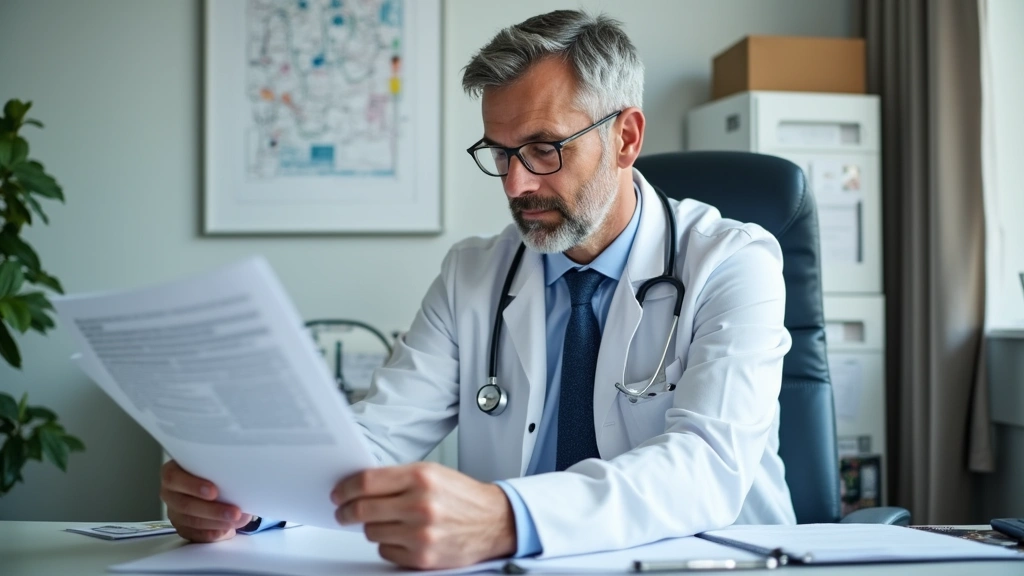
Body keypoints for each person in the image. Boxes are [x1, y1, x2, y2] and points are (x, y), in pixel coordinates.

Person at [160, 9, 796, 570]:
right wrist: (250, 501)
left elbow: (707, 465)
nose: (516, 185)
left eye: (544, 149)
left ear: (625, 137)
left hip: (706, 564)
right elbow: (375, 441)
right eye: (500, 152)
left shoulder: (733, 263)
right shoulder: (473, 275)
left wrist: (507, 517)